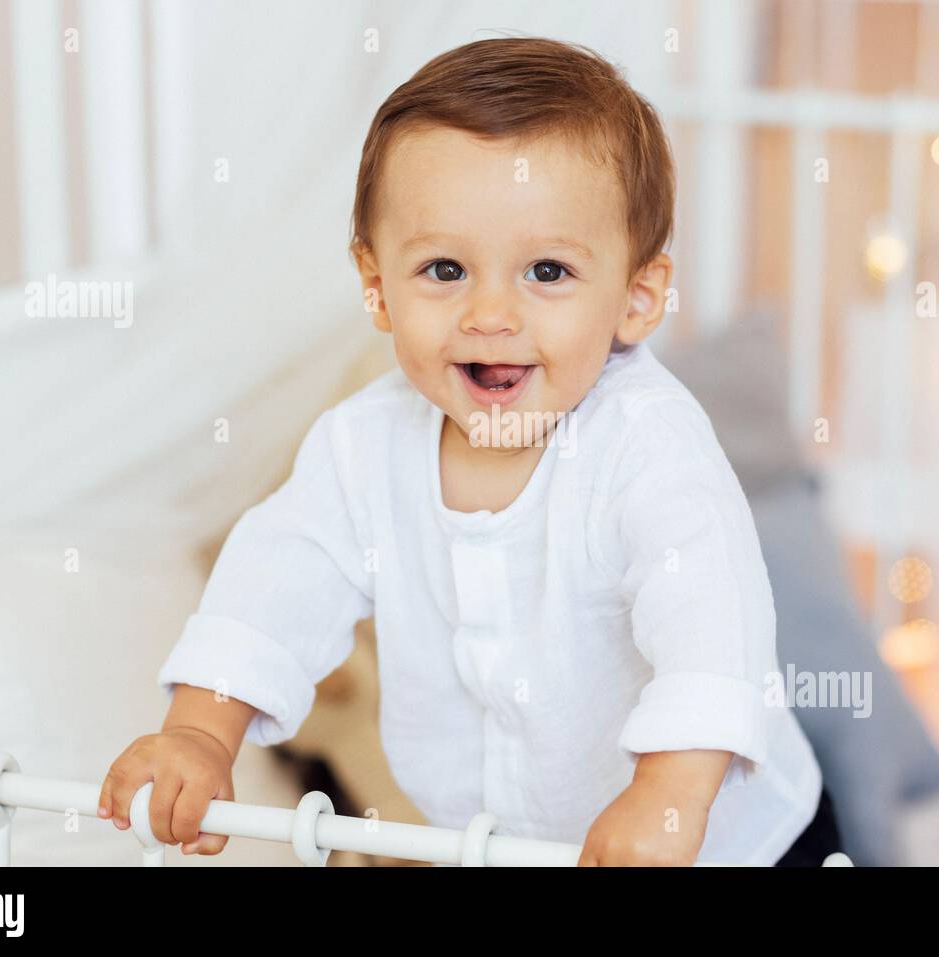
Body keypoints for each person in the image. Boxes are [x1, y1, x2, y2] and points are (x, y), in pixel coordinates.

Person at [98, 36, 824, 866]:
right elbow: (272, 587)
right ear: (376, 285)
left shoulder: (647, 445)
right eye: (444, 268)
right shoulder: (361, 447)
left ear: (637, 298)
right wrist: (199, 731)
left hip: (725, 837)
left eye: (546, 271)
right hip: (513, 844)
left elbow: (712, 622)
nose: (490, 314)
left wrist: (668, 794)